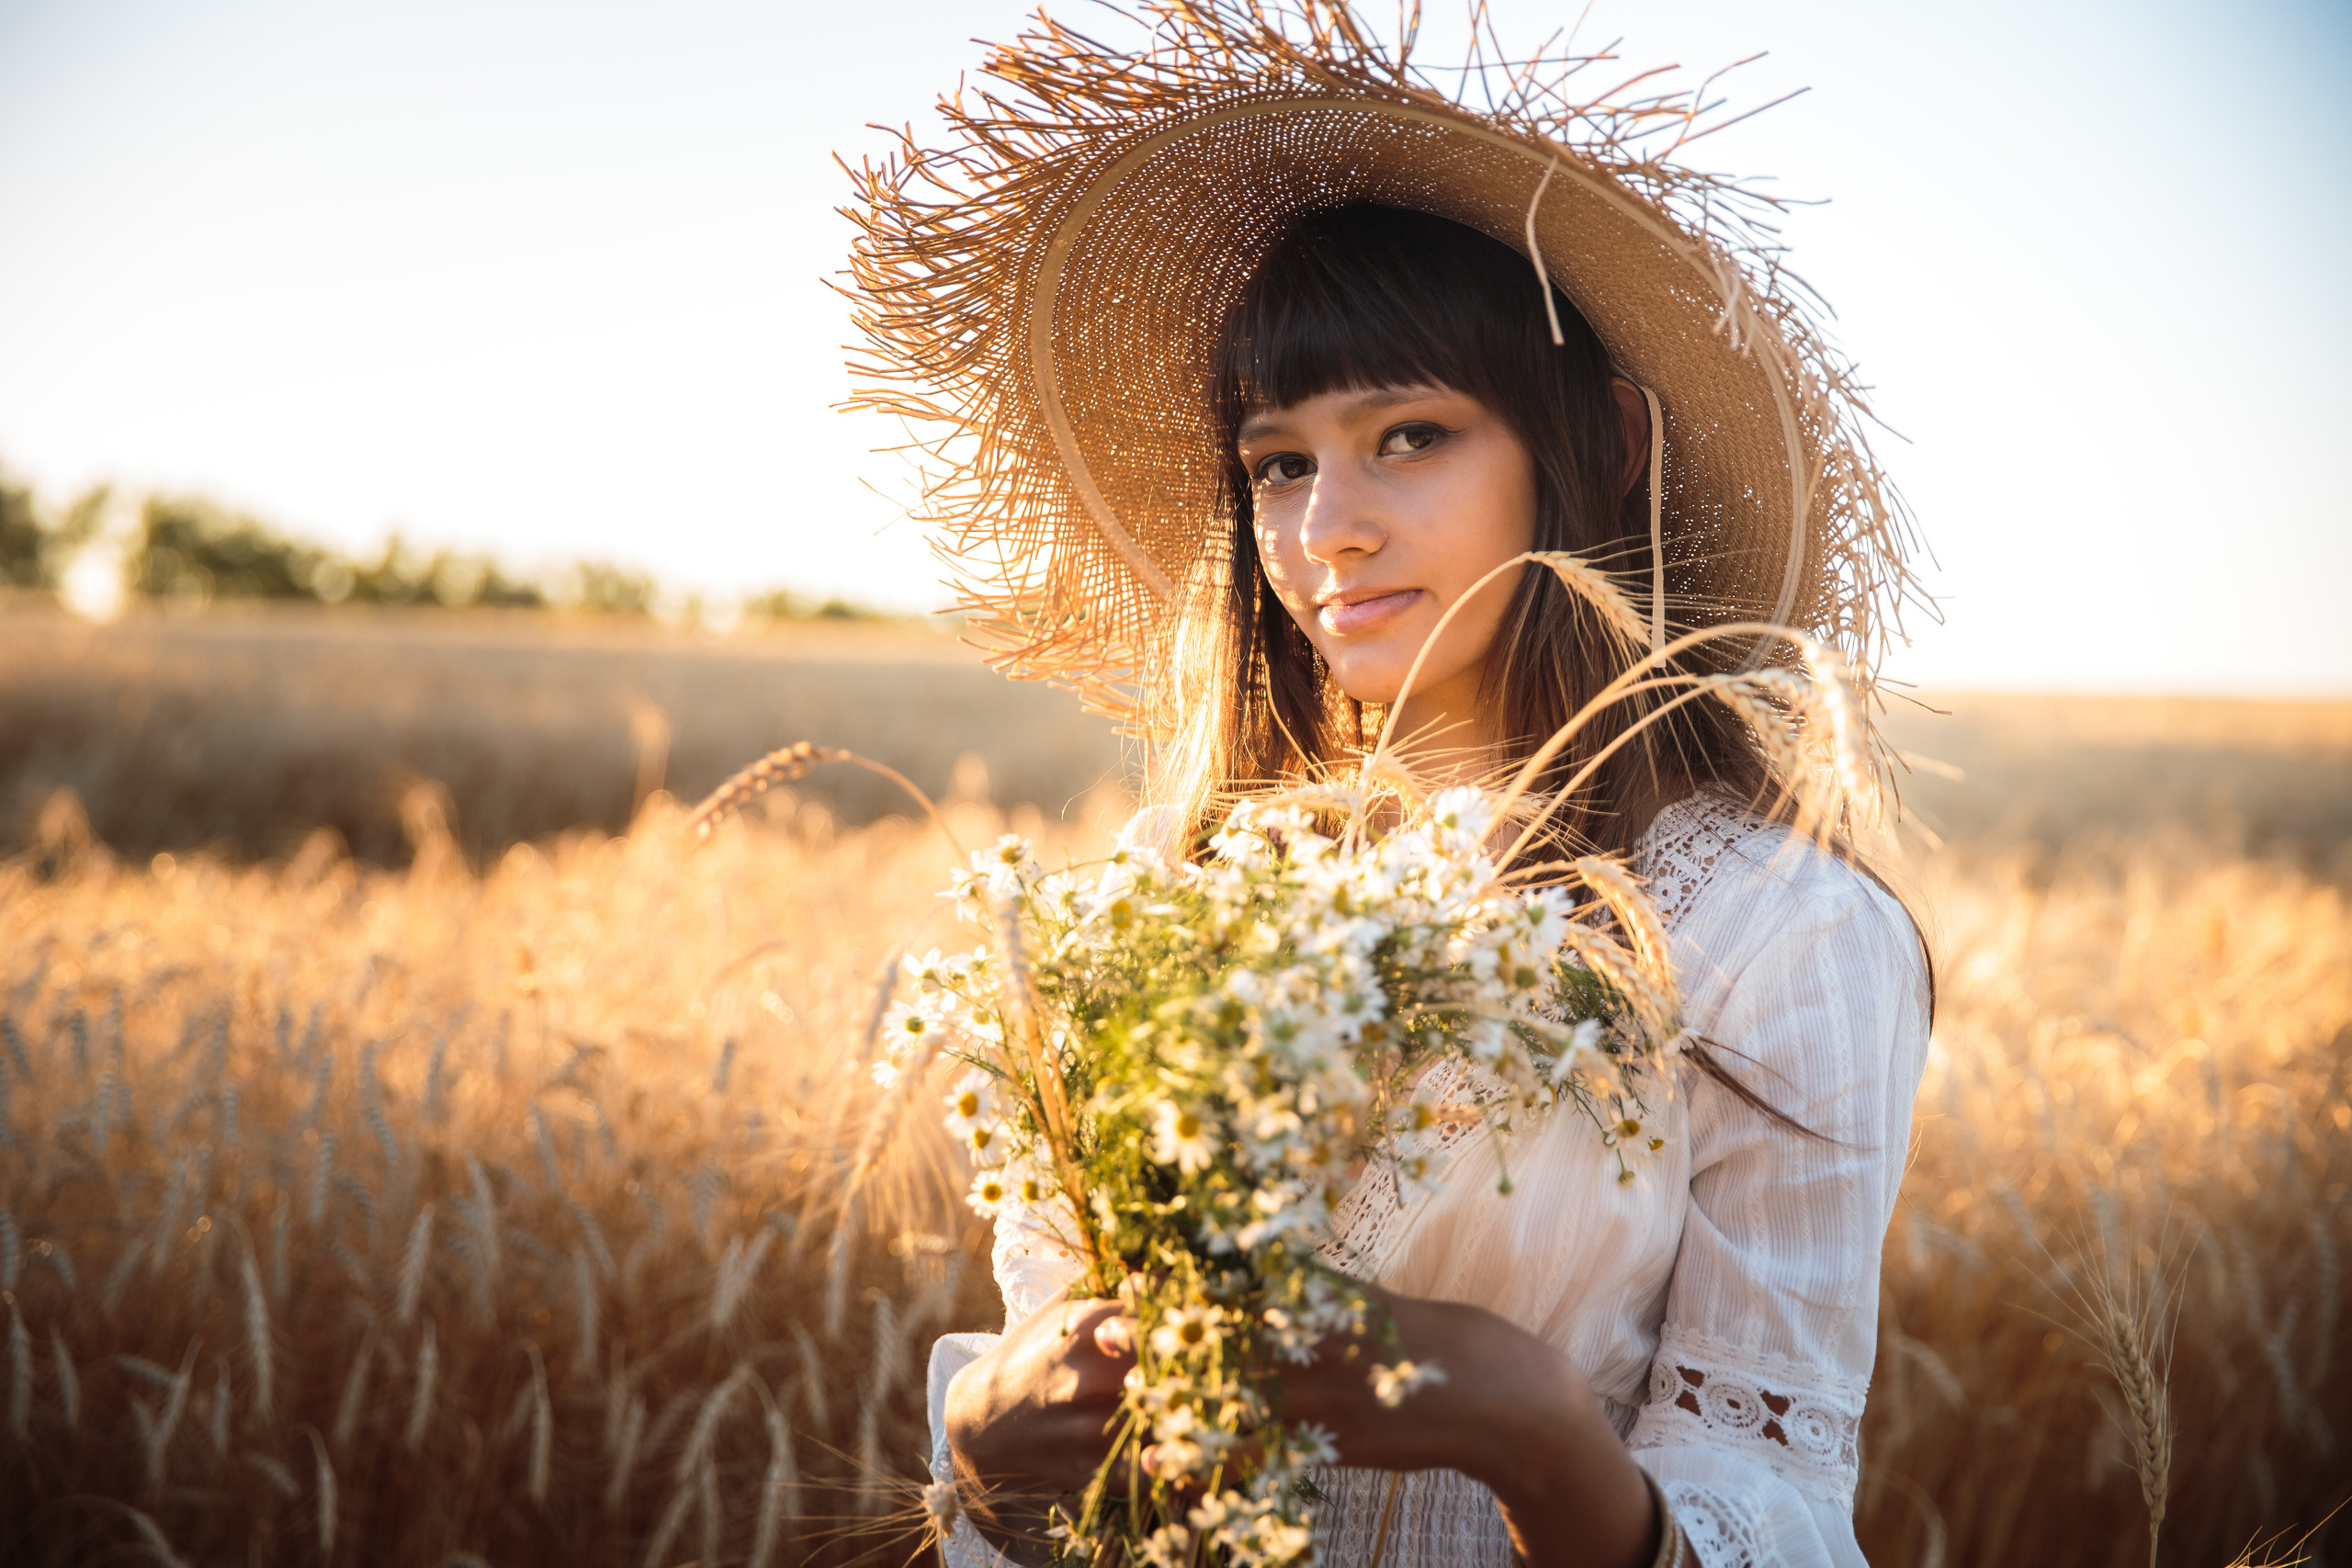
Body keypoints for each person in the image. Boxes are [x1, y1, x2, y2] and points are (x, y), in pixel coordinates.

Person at [842, 6, 1936, 1565]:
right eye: (1279, 461)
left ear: (1601, 441)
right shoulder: (1166, 886)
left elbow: (1775, 1510)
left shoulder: (1781, 935)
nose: (1324, 530)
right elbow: (1083, 1465)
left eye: (1408, 436)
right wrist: (989, 1446)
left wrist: (1536, 1434)